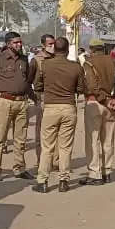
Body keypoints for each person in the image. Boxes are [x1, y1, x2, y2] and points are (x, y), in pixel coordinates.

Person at [32, 37, 87, 193]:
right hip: (69, 107)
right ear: (68, 50)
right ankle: (64, 180)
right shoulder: (76, 67)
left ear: (54, 49)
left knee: (47, 147)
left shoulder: (45, 65)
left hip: (50, 108)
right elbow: (81, 88)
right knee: (65, 147)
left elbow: (37, 85)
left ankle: (42, 181)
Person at [0, 31, 36, 181]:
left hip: (22, 102)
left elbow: (27, 82)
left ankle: (19, 168)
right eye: (15, 42)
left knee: (20, 138)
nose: (19, 45)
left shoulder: (23, 59)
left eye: (20, 42)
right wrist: (1, 92)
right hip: (4, 102)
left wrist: (33, 98)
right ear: (8, 44)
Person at [81, 39, 115, 185]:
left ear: (91, 49)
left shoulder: (88, 63)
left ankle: (95, 174)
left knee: (93, 140)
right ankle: (107, 171)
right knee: (108, 140)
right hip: (111, 105)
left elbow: (92, 86)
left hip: (95, 103)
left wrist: (104, 100)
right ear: (104, 48)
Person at [31, 34, 56, 164]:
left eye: (54, 44)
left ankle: (55, 161)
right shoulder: (36, 60)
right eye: (49, 44)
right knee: (41, 131)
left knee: (55, 131)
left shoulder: (58, 58)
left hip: (56, 98)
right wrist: (35, 98)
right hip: (42, 97)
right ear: (43, 45)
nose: (52, 47)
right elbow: (28, 81)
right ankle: (41, 159)